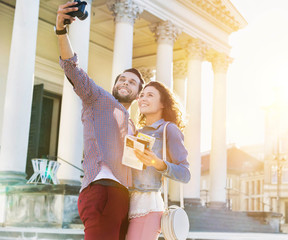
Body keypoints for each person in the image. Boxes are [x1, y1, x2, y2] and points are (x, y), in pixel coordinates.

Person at [55, 2, 145, 240]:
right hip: (102, 191)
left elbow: (135, 168)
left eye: (132, 82)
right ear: (115, 86)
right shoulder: (99, 98)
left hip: (125, 199)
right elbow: (72, 68)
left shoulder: (134, 126)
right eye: (122, 79)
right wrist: (61, 31)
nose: (125, 83)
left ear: (137, 95)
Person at [126, 81, 191, 240]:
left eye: (150, 95)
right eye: (141, 95)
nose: (143, 99)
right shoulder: (136, 132)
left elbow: (185, 174)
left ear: (163, 103)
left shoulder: (169, 129)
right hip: (126, 204)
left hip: (148, 207)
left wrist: (157, 163)